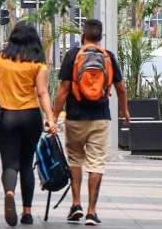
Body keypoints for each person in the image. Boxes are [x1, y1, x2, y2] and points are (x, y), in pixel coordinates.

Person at [52, 19, 130, 226]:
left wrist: (53, 115)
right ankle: (91, 211)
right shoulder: (108, 57)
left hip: (75, 117)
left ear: (83, 36)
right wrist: (125, 111)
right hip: (100, 118)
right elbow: (121, 88)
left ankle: (76, 204)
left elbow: (64, 89)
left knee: (75, 159)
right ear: (100, 37)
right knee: (96, 163)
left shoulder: (73, 55)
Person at [0, 21, 57, 227]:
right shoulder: (38, 63)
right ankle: (27, 212)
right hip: (30, 116)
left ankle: (9, 192)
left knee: (9, 163)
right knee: (26, 163)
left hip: (6, 117)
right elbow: (43, 93)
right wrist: (51, 119)